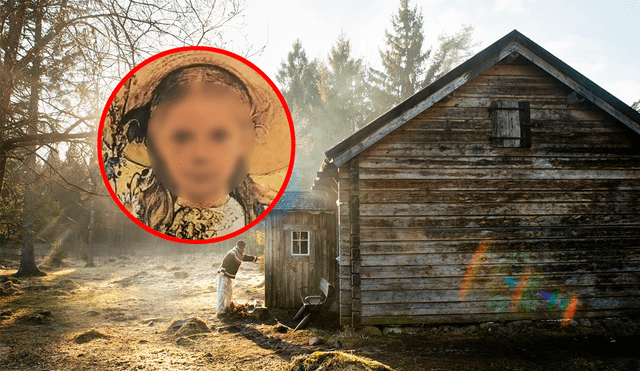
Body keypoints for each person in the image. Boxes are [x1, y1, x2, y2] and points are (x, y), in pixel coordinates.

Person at [101, 49, 292, 240]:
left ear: (250, 139)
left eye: (220, 135)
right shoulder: (138, 210)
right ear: (153, 141)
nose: (200, 154)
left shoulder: (261, 216)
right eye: (181, 136)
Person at [217, 240, 263, 317]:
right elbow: (225, 262)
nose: (245, 249)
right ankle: (220, 312)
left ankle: (227, 309)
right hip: (223, 274)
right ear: (242, 247)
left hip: (228, 275)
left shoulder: (239, 254)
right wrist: (222, 271)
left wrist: (256, 258)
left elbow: (246, 257)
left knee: (229, 292)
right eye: (244, 247)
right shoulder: (233, 253)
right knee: (222, 292)